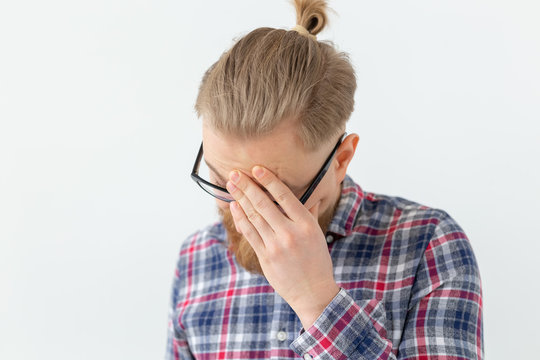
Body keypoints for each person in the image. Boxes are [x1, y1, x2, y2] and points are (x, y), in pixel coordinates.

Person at [165, 1, 483, 359]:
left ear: (341, 159)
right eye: (221, 180)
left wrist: (316, 300)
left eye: (273, 193)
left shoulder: (429, 246)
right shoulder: (195, 259)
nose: (243, 213)